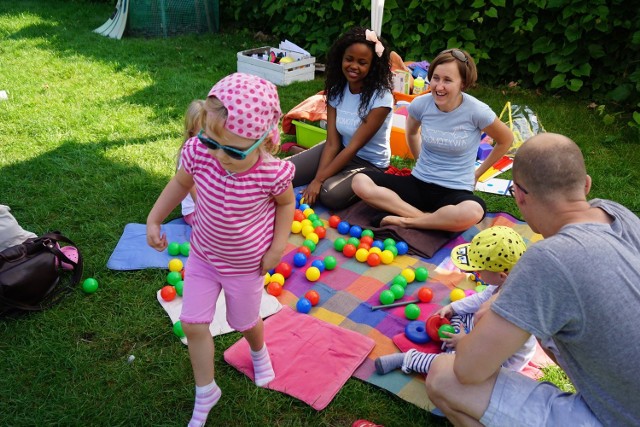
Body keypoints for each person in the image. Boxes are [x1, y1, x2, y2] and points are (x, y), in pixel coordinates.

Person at [425, 133, 640, 426]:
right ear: (586, 184)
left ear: (519, 195)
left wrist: (494, 309)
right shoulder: (620, 215)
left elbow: (468, 370)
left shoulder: (546, 259)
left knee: (444, 378)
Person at [146, 73, 295, 427]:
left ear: (261, 141)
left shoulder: (271, 174)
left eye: (231, 150)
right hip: (203, 257)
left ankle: (258, 351)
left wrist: (277, 249)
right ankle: (206, 389)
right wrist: (154, 219)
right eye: (211, 141)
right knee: (192, 322)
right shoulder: (200, 152)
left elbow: (287, 206)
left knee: (243, 321)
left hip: (245, 266)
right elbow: (180, 183)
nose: (218, 155)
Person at [351, 48, 514, 232]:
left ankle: (405, 221)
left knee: (473, 211)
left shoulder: (477, 111)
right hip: (418, 184)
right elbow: (411, 132)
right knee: (360, 181)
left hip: (455, 190)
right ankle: (428, 220)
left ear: (463, 83)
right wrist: (419, 159)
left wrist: (477, 174)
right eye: (436, 78)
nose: (438, 86)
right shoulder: (421, 104)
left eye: (448, 80)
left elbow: (506, 140)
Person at [374, 226, 535, 376]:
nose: (476, 273)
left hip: (496, 363)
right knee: (462, 313)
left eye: (479, 270)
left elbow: (492, 346)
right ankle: (451, 340)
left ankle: (408, 359)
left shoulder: (514, 314)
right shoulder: (503, 284)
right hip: (483, 335)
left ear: (502, 275)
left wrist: (465, 342)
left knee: (450, 367)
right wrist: (453, 307)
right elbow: (480, 299)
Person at [288, 26, 394, 210]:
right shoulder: (337, 90)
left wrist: (318, 180)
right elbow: (332, 143)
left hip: (369, 164)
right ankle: (316, 165)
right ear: (341, 59)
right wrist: (317, 178)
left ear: (372, 66)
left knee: (330, 195)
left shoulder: (381, 98)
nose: (354, 66)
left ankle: (328, 172)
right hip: (339, 150)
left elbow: (354, 147)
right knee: (284, 174)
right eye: (349, 59)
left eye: (362, 62)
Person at [178, 99, 205, 225]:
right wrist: (205, 213)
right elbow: (190, 186)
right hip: (194, 210)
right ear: (191, 131)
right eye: (202, 132)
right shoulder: (189, 154)